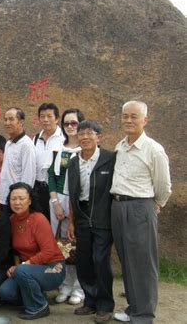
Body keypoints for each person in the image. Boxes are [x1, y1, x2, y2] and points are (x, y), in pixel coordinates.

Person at [110, 101, 171, 324]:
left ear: (145, 120)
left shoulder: (153, 149)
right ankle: (133, 308)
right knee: (127, 259)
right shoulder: (120, 146)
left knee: (143, 262)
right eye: (125, 116)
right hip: (117, 206)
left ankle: (143, 315)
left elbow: (163, 184)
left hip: (140, 207)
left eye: (134, 116)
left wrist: (157, 203)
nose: (128, 120)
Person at [67, 121, 116, 323]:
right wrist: (71, 222)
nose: (85, 137)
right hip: (81, 216)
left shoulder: (109, 159)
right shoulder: (73, 162)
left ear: (99, 137)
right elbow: (72, 194)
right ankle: (90, 301)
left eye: (90, 133)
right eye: (81, 133)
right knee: (84, 260)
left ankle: (105, 305)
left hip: (103, 216)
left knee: (100, 260)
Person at [0, 182, 65, 320]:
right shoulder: (11, 220)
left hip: (53, 267)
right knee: (6, 292)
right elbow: (16, 251)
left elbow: (49, 251)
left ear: (30, 200)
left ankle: (39, 307)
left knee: (21, 271)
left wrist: (24, 265)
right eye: (13, 198)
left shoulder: (39, 219)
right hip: (27, 269)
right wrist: (18, 266)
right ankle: (37, 295)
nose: (17, 202)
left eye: (21, 198)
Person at [48, 108, 85, 305]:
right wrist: (55, 203)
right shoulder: (58, 148)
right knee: (62, 245)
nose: (70, 127)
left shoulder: (86, 150)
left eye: (74, 123)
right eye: (66, 123)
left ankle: (79, 288)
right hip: (57, 201)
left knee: (78, 244)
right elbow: (51, 177)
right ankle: (65, 285)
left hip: (79, 202)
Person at [0, 107, 36, 214]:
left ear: (21, 122)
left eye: (11, 119)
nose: (7, 123)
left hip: (17, 202)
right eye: (5, 119)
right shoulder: (8, 143)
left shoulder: (26, 145)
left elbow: (29, 176)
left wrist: (21, 199)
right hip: (4, 198)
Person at [33, 102, 65, 222]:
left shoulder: (63, 138)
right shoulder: (36, 138)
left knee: (56, 223)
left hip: (55, 189)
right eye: (42, 116)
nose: (45, 120)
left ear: (57, 119)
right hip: (37, 189)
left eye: (49, 116)